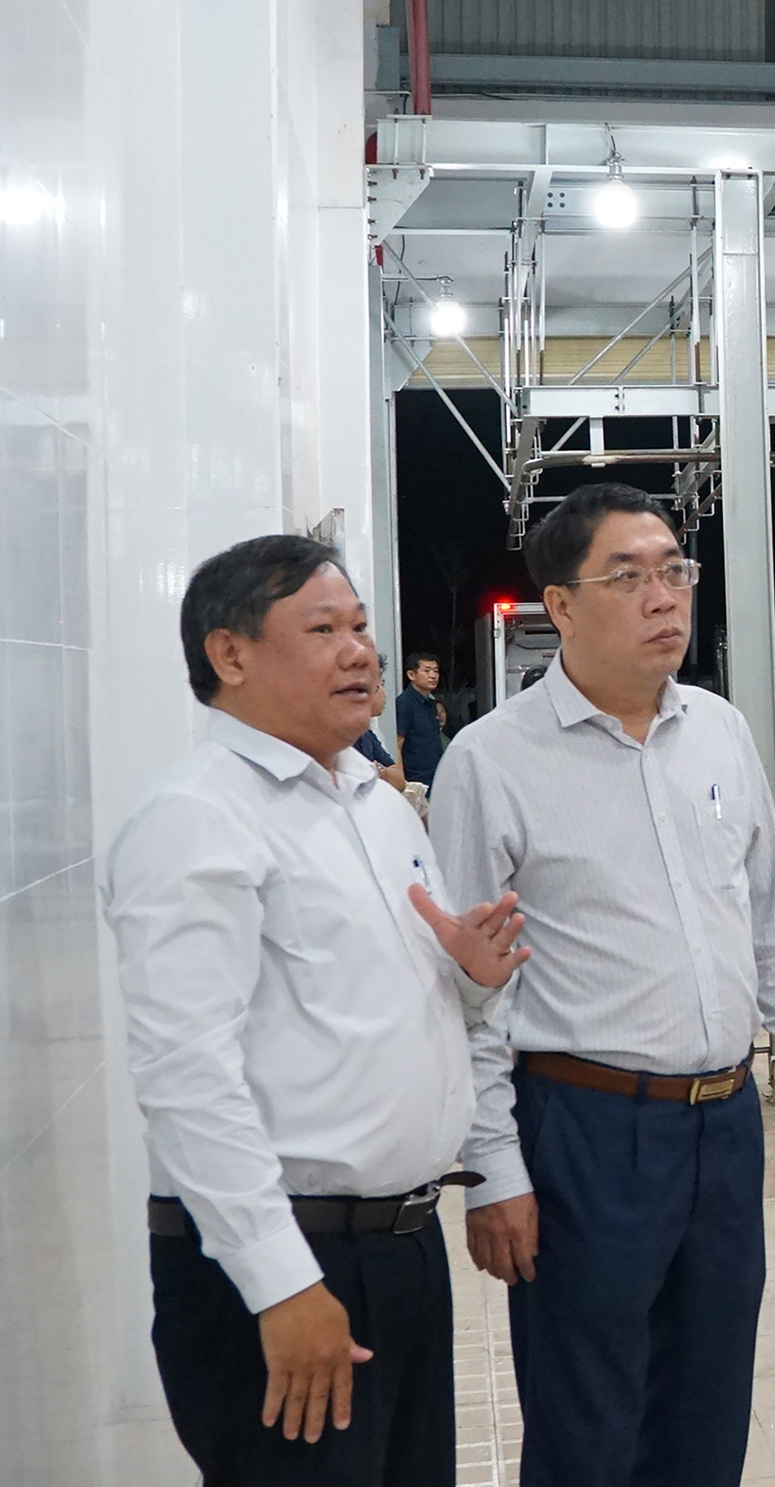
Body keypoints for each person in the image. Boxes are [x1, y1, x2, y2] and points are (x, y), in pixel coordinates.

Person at [429, 482, 775, 1487]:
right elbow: (467, 988)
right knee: (589, 1420)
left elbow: (766, 918)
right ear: (559, 604)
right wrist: (495, 1165)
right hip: (584, 1129)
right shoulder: (490, 761)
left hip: (722, 1118)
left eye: (674, 570)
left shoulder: (719, 730)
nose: (664, 596)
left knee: (707, 1407)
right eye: (628, 576)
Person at [101, 535, 530, 1487]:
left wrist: (467, 973)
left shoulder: (371, 807)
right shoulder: (198, 816)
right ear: (231, 655)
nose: (360, 652)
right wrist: (281, 1280)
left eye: (363, 627)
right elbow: (185, 1075)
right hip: (293, 1260)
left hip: (400, 1250)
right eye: (324, 629)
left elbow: (375, 1012)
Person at [351, 655, 409, 794]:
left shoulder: (366, 732)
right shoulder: (335, 737)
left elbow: (398, 779)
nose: (385, 694)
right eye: (381, 685)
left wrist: (381, 774)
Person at [395, 651, 443, 789]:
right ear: (411, 675)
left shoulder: (431, 703)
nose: (433, 676)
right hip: (415, 780)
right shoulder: (404, 703)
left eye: (435, 671)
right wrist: (401, 779)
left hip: (435, 777)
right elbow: (398, 743)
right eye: (427, 671)